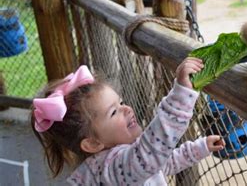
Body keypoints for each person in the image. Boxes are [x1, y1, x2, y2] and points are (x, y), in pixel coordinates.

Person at [31, 57, 225, 185]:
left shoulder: (125, 162)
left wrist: (198, 149)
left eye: (121, 102)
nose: (127, 109)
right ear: (92, 143)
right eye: (114, 112)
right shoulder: (113, 169)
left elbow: (160, 164)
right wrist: (182, 92)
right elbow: (152, 152)